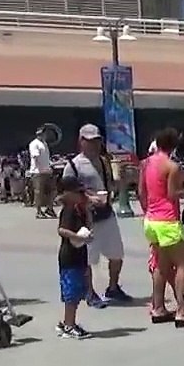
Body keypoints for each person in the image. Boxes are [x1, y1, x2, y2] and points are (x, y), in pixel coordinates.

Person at [62, 124, 130, 308]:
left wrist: (120, 181)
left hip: (107, 214)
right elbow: (65, 195)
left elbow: (111, 185)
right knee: (89, 260)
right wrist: (87, 198)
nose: (94, 145)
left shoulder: (104, 161)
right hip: (86, 219)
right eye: (90, 141)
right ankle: (90, 292)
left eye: (97, 141)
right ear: (81, 141)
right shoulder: (73, 165)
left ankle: (113, 287)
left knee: (117, 254)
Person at [140, 128, 184, 324]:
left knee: (160, 266)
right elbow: (173, 194)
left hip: (151, 220)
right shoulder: (171, 166)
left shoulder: (146, 163)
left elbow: (142, 191)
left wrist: (147, 210)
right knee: (182, 264)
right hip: (168, 220)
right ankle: (182, 310)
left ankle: (158, 308)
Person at [56, 176, 93, 339]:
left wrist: (88, 210)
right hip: (69, 257)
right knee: (71, 293)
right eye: (78, 192)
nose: (81, 195)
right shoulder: (68, 210)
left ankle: (68, 322)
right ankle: (68, 325)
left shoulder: (79, 209)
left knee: (77, 292)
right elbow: (62, 230)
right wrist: (79, 237)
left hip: (79, 255)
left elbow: (89, 226)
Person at [28, 126, 56, 219]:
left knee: (52, 190)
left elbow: (45, 158)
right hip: (38, 172)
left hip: (47, 171)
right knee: (38, 192)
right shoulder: (34, 144)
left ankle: (49, 208)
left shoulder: (44, 144)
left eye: (44, 133)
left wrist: (50, 165)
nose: (43, 135)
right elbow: (36, 157)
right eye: (41, 133)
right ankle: (38, 211)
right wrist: (41, 168)